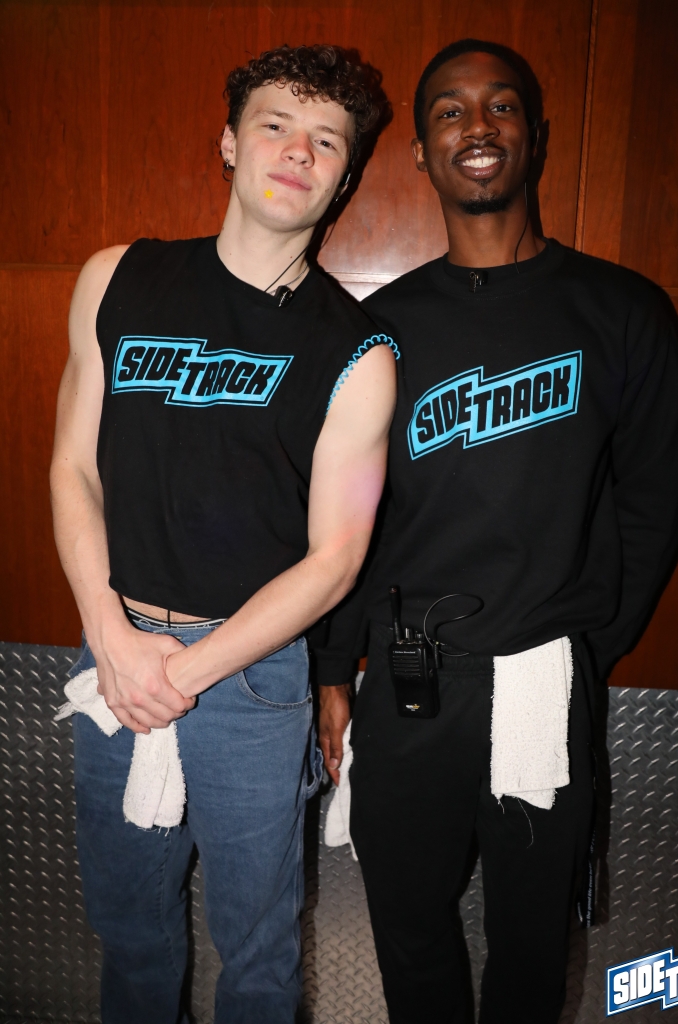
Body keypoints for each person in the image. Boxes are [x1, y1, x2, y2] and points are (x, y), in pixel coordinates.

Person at [316, 38, 678, 1024]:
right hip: (409, 686)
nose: (476, 126)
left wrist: (584, 642)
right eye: (449, 110)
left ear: (534, 134)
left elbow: (654, 501)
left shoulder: (622, 312)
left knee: (530, 949)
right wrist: (333, 667)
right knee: (409, 932)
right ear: (420, 151)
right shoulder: (381, 328)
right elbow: (347, 514)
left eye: (500, 105)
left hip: (542, 680)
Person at [50, 44, 396, 1024]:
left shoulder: (359, 351)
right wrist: (114, 640)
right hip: (114, 651)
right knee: (130, 933)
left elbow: (335, 560)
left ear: (344, 174)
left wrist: (184, 672)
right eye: (276, 125)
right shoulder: (117, 278)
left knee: (257, 953)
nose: (298, 152)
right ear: (230, 142)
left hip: (251, 684)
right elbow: (72, 468)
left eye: (326, 140)